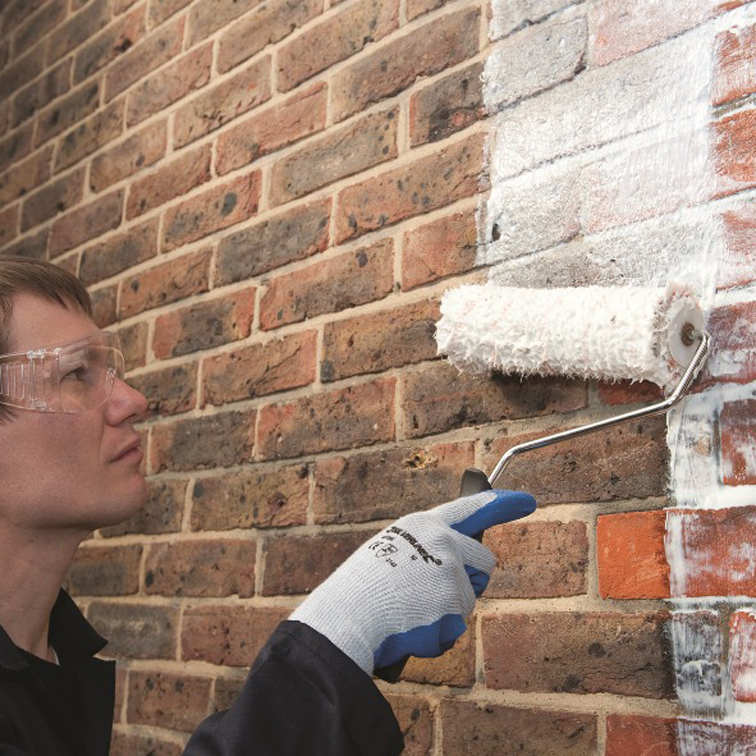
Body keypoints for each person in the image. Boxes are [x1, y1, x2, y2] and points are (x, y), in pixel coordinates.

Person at [0, 256, 536, 755]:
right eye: (76, 374)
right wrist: (341, 629)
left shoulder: (53, 659)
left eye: (110, 371)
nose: (132, 401)